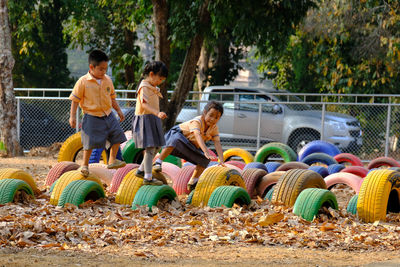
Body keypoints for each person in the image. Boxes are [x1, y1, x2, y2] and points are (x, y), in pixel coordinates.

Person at [69, 49, 127, 177]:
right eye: (101, 69)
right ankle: (85, 165)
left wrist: (118, 110)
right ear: (91, 67)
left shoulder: (108, 80)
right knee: (89, 142)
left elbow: (112, 98)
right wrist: (72, 116)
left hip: (108, 114)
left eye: (105, 69)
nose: (103, 72)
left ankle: (112, 160)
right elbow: (74, 100)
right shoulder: (83, 81)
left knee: (118, 134)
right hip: (91, 115)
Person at [155, 101, 225, 191]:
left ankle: (193, 181)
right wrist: (206, 151)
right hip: (178, 136)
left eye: (216, 117)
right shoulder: (197, 121)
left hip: (190, 145)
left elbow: (217, 143)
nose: (212, 119)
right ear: (204, 112)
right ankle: (158, 161)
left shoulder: (214, 128)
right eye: (211, 115)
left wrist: (222, 160)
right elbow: (197, 135)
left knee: (205, 159)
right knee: (175, 139)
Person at [132, 61, 168, 185]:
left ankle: (141, 170)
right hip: (145, 119)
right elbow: (144, 104)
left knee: (157, 146)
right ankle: (147, 178)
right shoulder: (144, 87)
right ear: (151, 74)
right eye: (160, 78)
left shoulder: (152, 87)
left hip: (152, 118)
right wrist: (157, 113)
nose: (161, 82)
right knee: (150, 148)